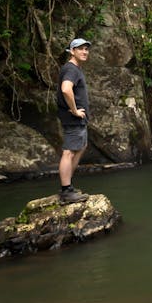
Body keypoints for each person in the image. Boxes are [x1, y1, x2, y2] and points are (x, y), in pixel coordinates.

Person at [56, 37, 92, 204]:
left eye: (86, 49)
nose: (85, 52)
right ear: (72, 51)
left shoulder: (75, 69)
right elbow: (66, 89)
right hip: (73, 118)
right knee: (69, 152)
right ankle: (66, 191)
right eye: (80, 49)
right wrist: (75, 110)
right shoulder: (71, 69)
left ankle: (68, 187)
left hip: (78, 119)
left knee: (81, 147)